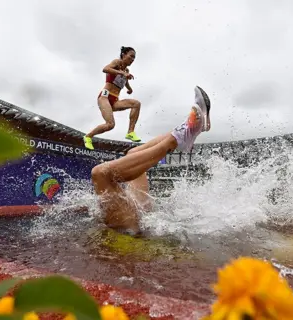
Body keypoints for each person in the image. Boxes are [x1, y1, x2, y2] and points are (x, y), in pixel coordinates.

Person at [91, 86, 211, 235]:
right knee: (100, 173)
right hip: (127, 226)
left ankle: (191, 130)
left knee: (132, 152)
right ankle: (177, 138)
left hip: (137, 213)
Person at [83, 46, 142, 150]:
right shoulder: (117, 63)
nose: (132, 60)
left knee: (136, 104)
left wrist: (129, 89)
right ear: (124, 55)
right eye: (131, 56)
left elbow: (125, 81)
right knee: (110, 125)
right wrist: (121, 72)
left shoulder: (126, 70)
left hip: (115, 100)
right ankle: (88, 137)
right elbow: (105, 69)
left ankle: (130, 132)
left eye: (134, 58)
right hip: (104, 97)